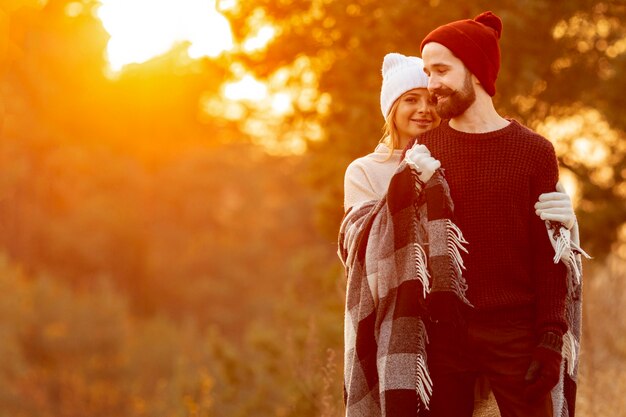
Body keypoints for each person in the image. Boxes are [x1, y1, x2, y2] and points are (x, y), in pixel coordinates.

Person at [340, 51, 580, 417]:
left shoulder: (456, 152)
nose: (423, 109)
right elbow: (355, 241)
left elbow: (515, 229)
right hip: (406, 325)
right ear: (391, 108)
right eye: (410, 100)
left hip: (477, 324)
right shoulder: (366, 170)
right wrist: (402, 190)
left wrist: (569, 219)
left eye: (430, 99)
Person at [408, 11, 582, 417]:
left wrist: (551, 338)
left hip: (515, 335)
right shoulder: (425, 150)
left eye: (441, 70)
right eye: (427, 72)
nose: (432, 84)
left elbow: (549, 252)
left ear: (476, 70)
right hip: (443, 335)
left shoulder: (534, 152)